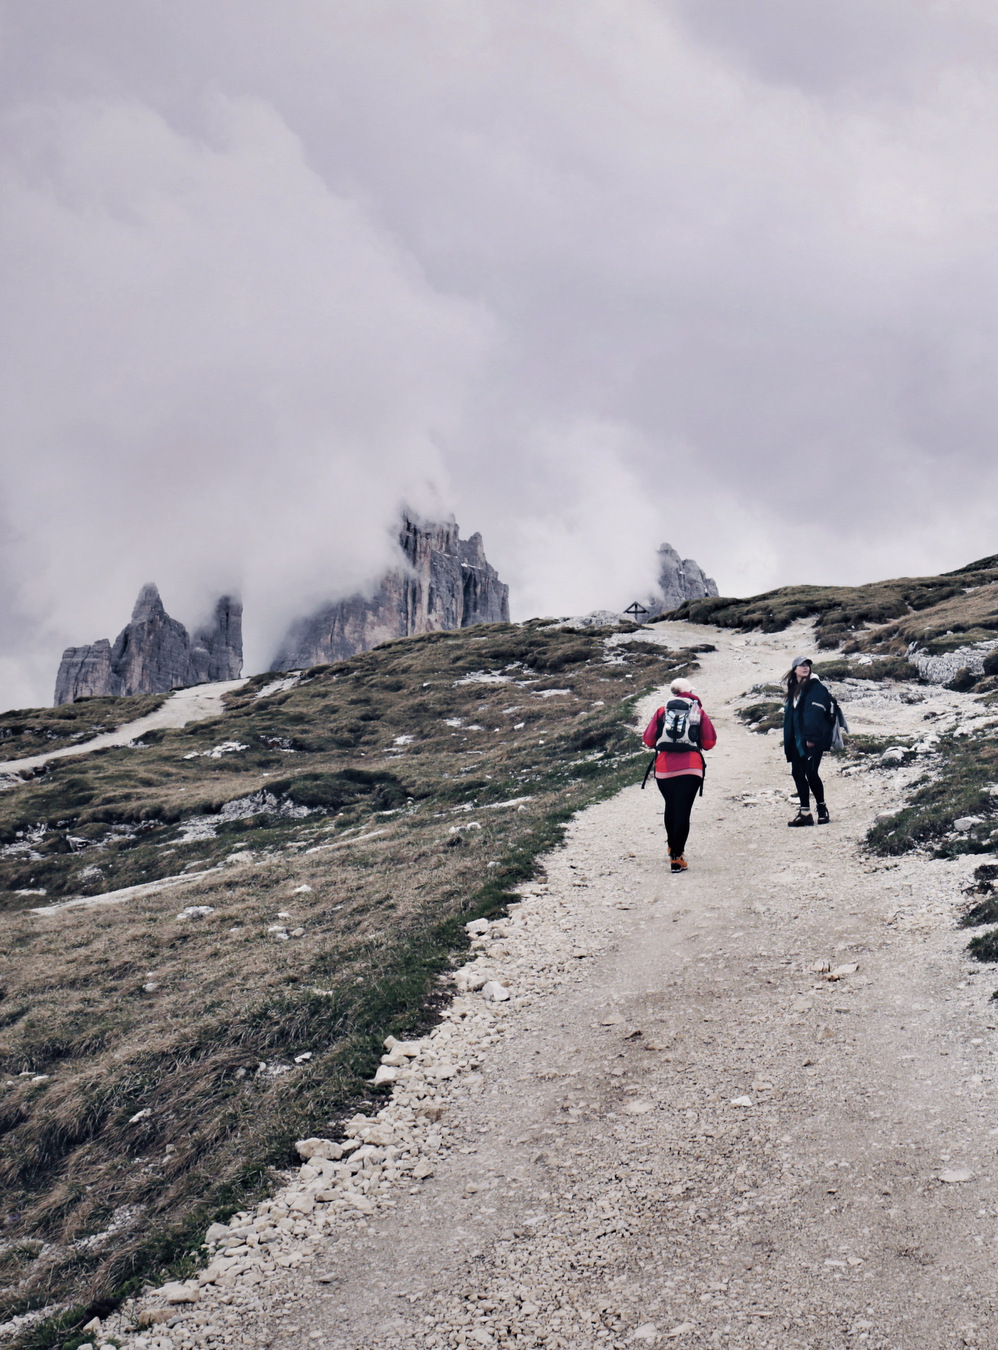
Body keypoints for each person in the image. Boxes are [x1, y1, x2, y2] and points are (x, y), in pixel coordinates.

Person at [642, 677, 717, 873]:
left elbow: (649, 740)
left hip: (664, 769)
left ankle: (671, 847)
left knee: (671, 807)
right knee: (683, 810)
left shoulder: (661, 711)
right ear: (690, 691)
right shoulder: (697, 711)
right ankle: (677, 856)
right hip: (690, 768)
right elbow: (709, 743)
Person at [783, 655, 833, 826]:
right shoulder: (795, 688)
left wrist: (811, 738)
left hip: (813, 739)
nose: (805, 667)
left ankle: (822, 809)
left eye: (807, 665)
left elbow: (815, 713)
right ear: (794, 669)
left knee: (811, 773)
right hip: (798, 740)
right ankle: (805, 812)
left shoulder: (815, 687)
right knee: (797, 773)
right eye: (801, 665)